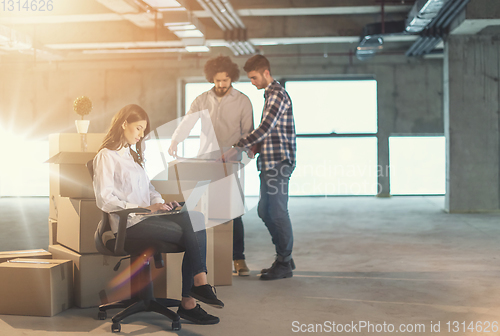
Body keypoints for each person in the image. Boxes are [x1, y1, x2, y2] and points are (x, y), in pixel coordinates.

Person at [93, 104, 223, 325]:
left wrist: (161, 204)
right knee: (192, 230)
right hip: (130, 225)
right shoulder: (106, 156)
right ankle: (192, 297)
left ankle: (198, 286)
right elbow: (105, 199)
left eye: (144, 130)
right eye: (138, 128)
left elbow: (149, 190)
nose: (141, 134)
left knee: (195, 218)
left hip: (148, 219)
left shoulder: (132, 156)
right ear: (124, 124)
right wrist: (145, 209)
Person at [168, 56, 254, 277]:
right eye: (217, 80)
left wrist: (240, 154)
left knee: (233, 211)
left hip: (231, 162)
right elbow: (188, 121)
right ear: (211, 79)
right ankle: (206, 262)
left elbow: (248, 133)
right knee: (201, 210)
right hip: (205, 161)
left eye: (225, 80)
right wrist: (176, 140)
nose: (221, 85)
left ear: (231, 78)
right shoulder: (202, 99)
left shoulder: (242, 101)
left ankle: (239, 259)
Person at [219, 55, 297, 281]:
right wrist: (254, 149)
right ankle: (285, 256)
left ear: (265, 72)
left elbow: (265, 127)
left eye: (253, 78)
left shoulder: (276, 94)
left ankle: (284, 261)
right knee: (265, 210)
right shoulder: (270, 95)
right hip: (269, 161)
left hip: (278, 162)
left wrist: (238, 146)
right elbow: (269, 133)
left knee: (277, 211)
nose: (252, 82)